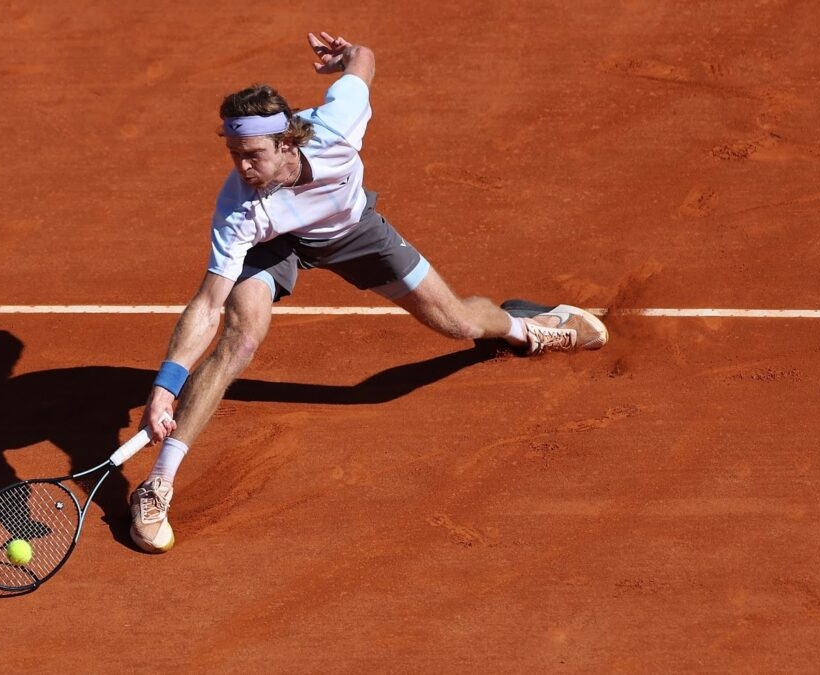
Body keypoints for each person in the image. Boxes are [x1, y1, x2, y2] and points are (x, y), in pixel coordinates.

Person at [128, 32, 608, 553]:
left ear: (289, 142)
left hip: (353, 231)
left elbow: (365, 60)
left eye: (252, 155)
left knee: (459, 324)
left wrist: (345, 57)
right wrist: (165, 386)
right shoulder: (240, 207)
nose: (241, 168)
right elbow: (207, 305)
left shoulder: (335, 127)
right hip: (273, 245)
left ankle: (525, 327)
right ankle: (158, 483)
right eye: (233, 154)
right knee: (241, 337)